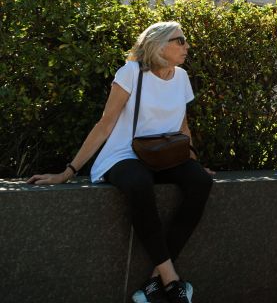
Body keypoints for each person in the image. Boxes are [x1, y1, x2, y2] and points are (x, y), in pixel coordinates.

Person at [28, 21, 211, 303]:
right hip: (125, 154)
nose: (187, 46)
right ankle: (172, 280)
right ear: (159, 44)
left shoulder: (182, 77)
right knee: (138, 183)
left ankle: (154, 280)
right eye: (181, 40)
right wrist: (68, 172)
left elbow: (183, 126)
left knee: (200, 181)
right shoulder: (131, 73)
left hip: (166, 155)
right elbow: (105, 124)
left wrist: (194, 160)